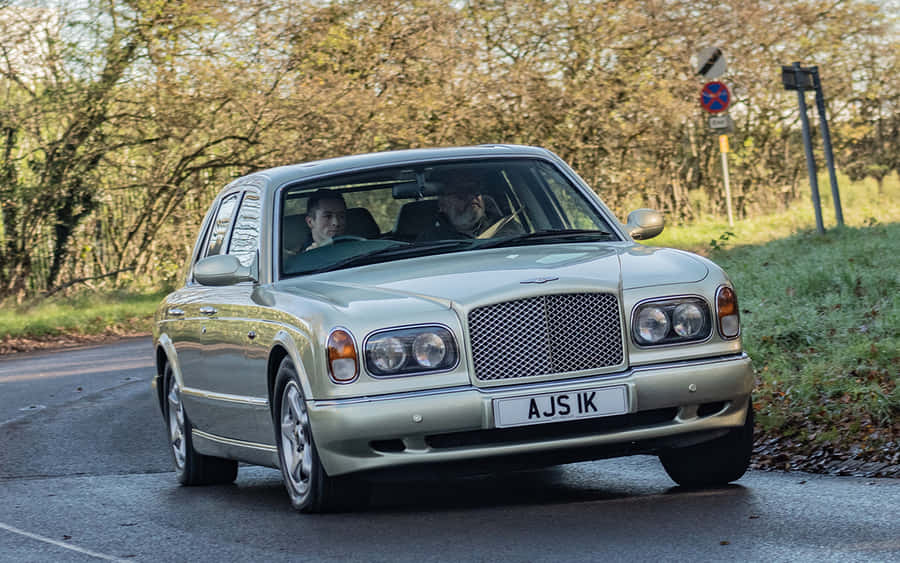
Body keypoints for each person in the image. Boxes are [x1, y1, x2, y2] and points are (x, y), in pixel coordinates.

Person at [417, 175, 522, 241]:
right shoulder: (430, 241)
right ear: (442, 205)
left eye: (476, 191)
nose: (473, 196)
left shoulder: (507, 228)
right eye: (461, 193)